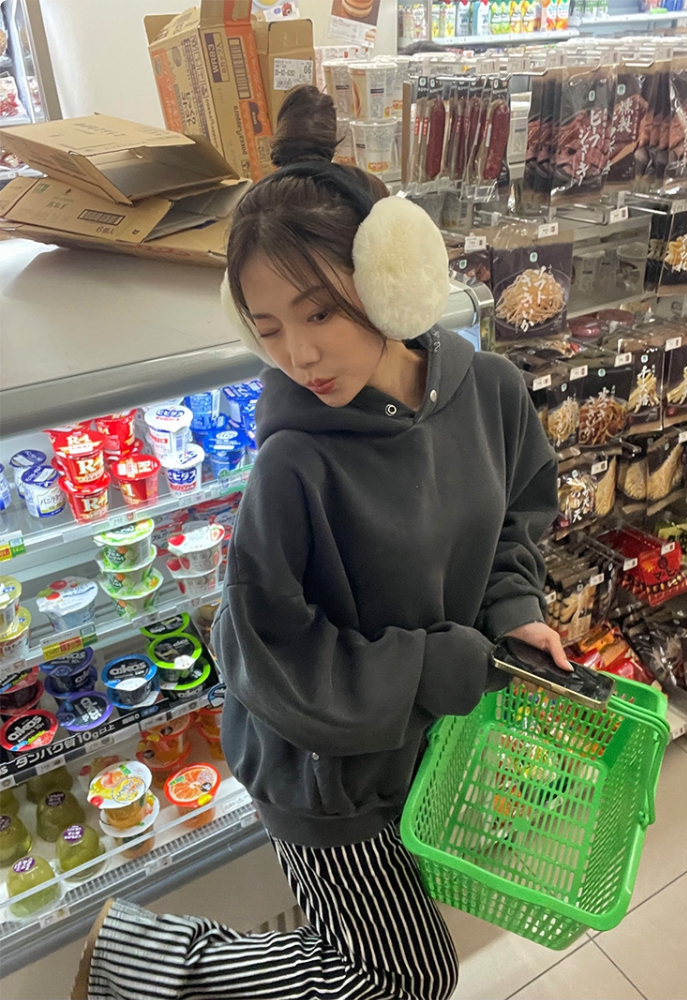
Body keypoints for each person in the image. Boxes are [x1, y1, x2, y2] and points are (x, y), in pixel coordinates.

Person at [72, 85, 565, 1000]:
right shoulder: (293, 465)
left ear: (388, 281)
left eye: (319, 314)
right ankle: (137, 959)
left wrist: (513, 610)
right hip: (321, 773)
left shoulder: (490, 391)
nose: (298, 356)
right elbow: (266, 654)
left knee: (376, 959)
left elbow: (516, 517)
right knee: (403, 977)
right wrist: (434, 669)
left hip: (418, 746)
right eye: (268, 329)